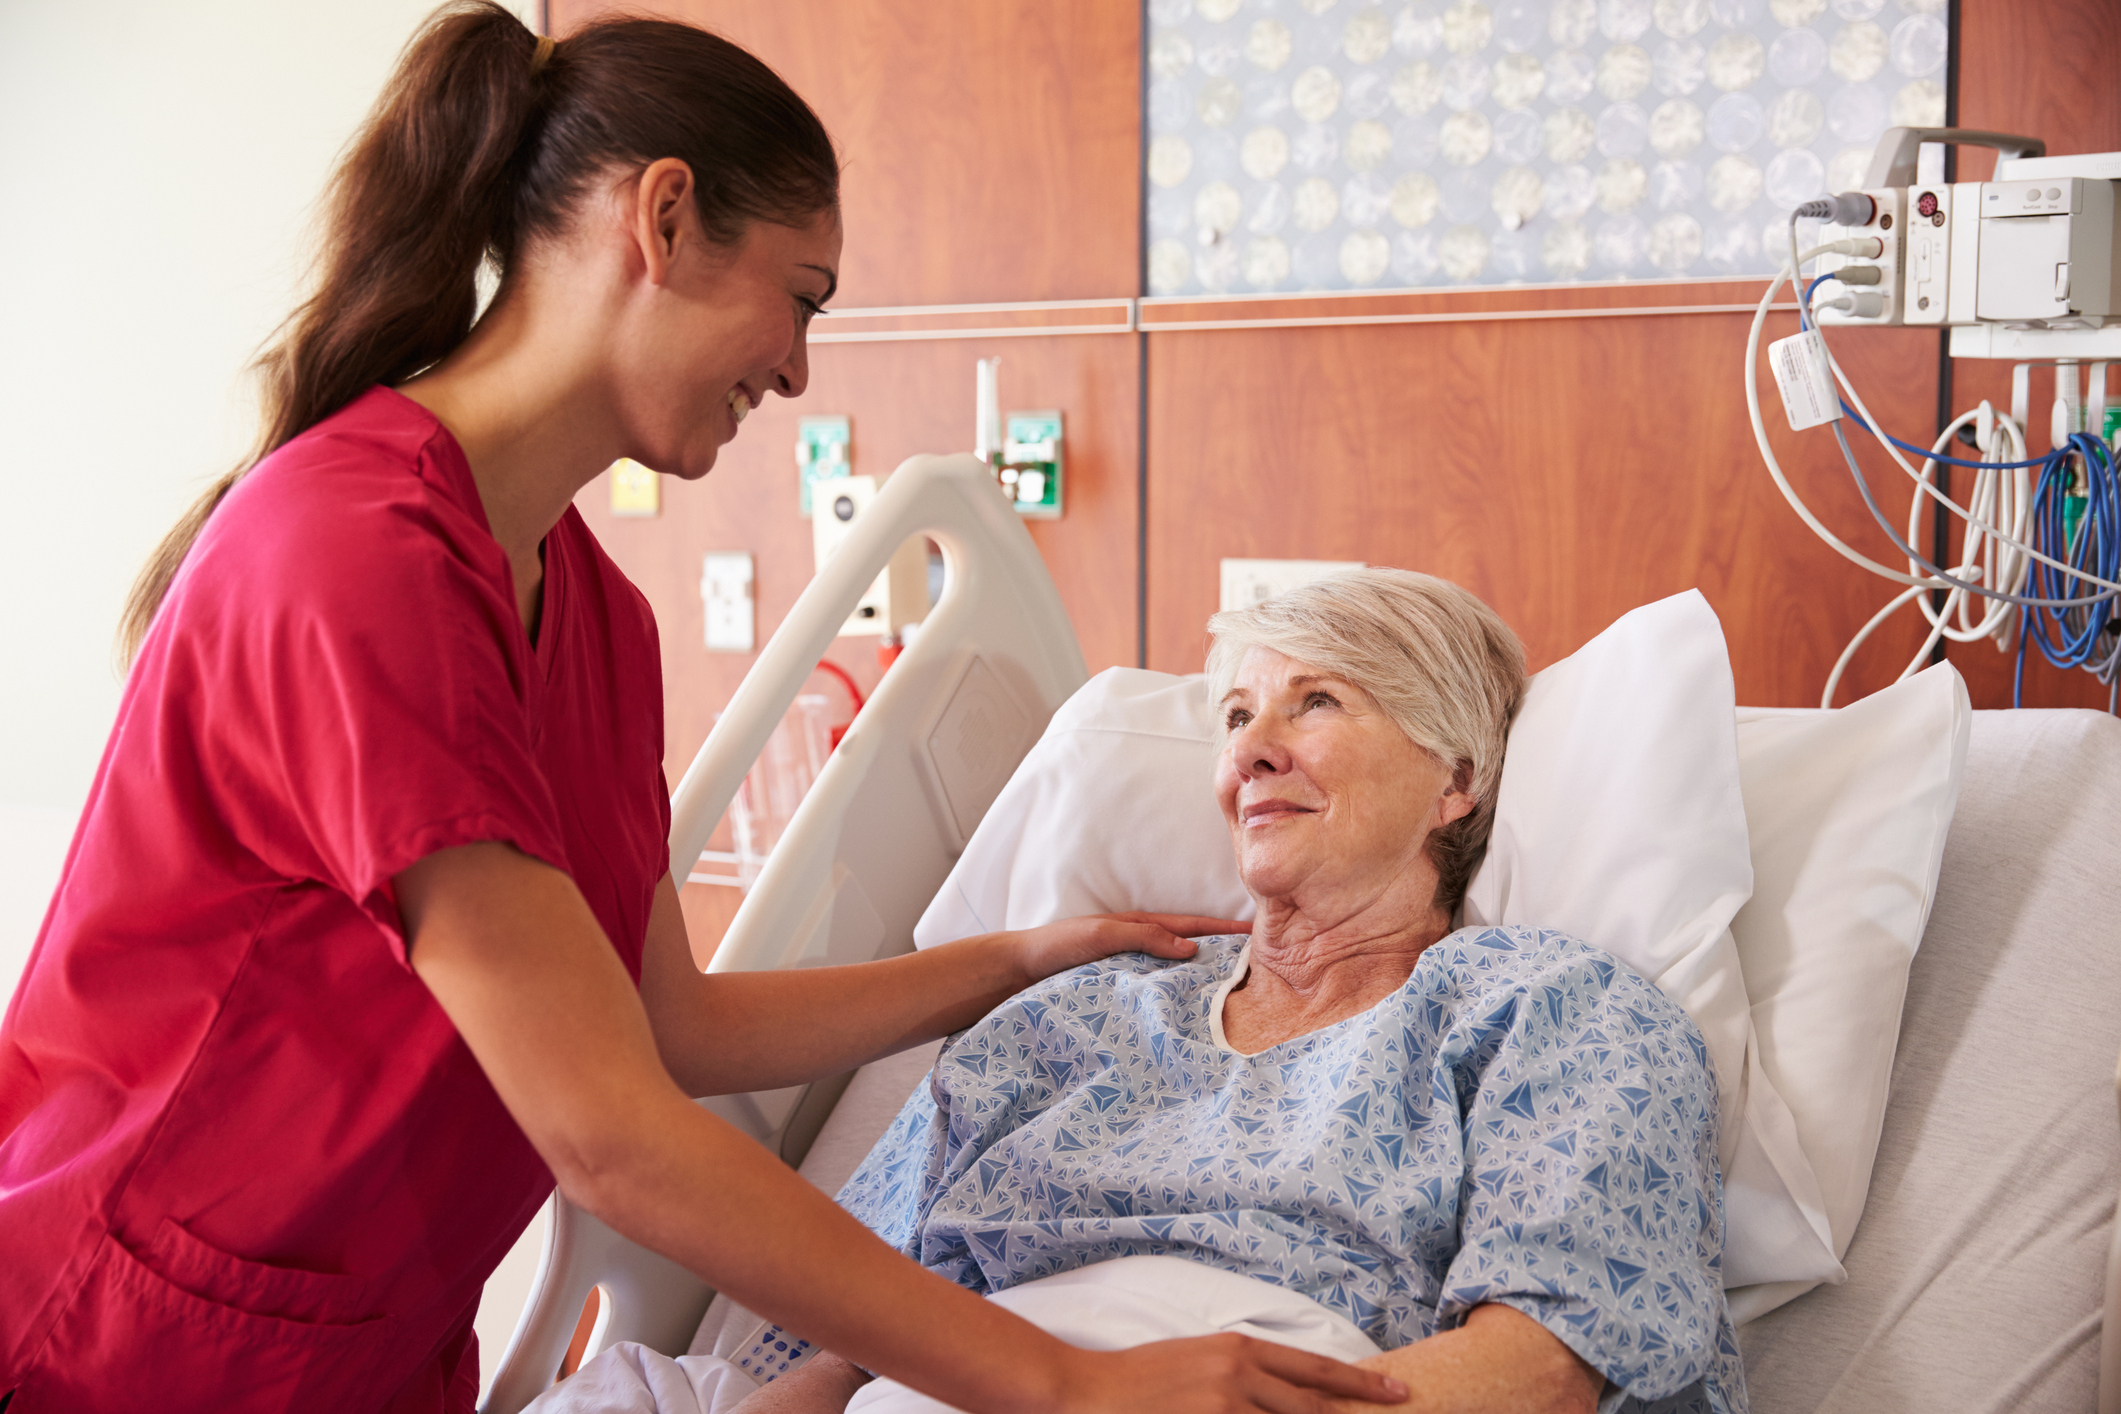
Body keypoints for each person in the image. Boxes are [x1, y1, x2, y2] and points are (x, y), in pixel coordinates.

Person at [0, 8, 1409, 1414]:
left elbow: (666, 1022)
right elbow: (612, 1134)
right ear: (663, 216)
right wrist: (1064, 1383)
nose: (798, 369)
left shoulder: (599, 621)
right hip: (136, 1338)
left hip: (359, 1349)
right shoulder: (350, 557)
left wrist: (1028, 951)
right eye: (801, 295)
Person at [681, 570, 1744, 1414]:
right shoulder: (1074, 1015)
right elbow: (844, 1337)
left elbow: (1542, 1375)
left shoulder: (1554, 1013)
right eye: (1237, 715)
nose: (1250, 751)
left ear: (1455, 782)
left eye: (1315, 700)